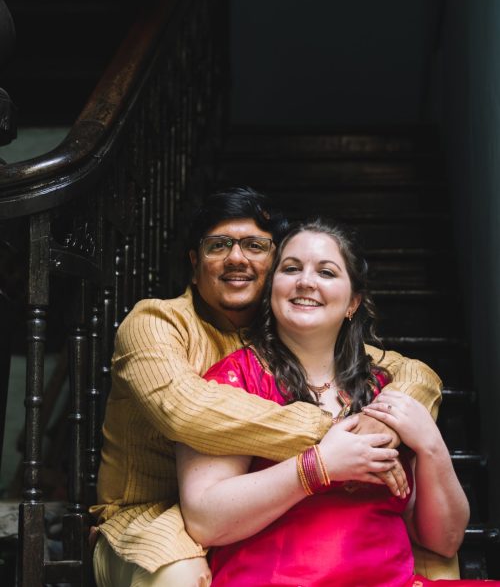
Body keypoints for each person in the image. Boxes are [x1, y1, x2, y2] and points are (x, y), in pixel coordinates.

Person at [91, 187, 444, 587]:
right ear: (194, 264)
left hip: (239, 503)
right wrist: (333, 437)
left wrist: (389, 426)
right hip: (152, 514)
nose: (236, 257)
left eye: (255, 246)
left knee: (431, 558)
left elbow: (414, 372)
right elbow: (185, 411)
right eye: (218, 245)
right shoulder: (157, 322)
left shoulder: (279, 335)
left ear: (272, 266)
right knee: (182, 576)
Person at [177, 218, 495, 586]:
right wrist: (320, 466)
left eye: (326, 272)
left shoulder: (385, 389)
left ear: (353, 302)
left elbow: (444, 540)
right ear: (271, 290)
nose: (305, 281)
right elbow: (205, 521)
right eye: (291, 268)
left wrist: (432, 447)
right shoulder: (234, 381)